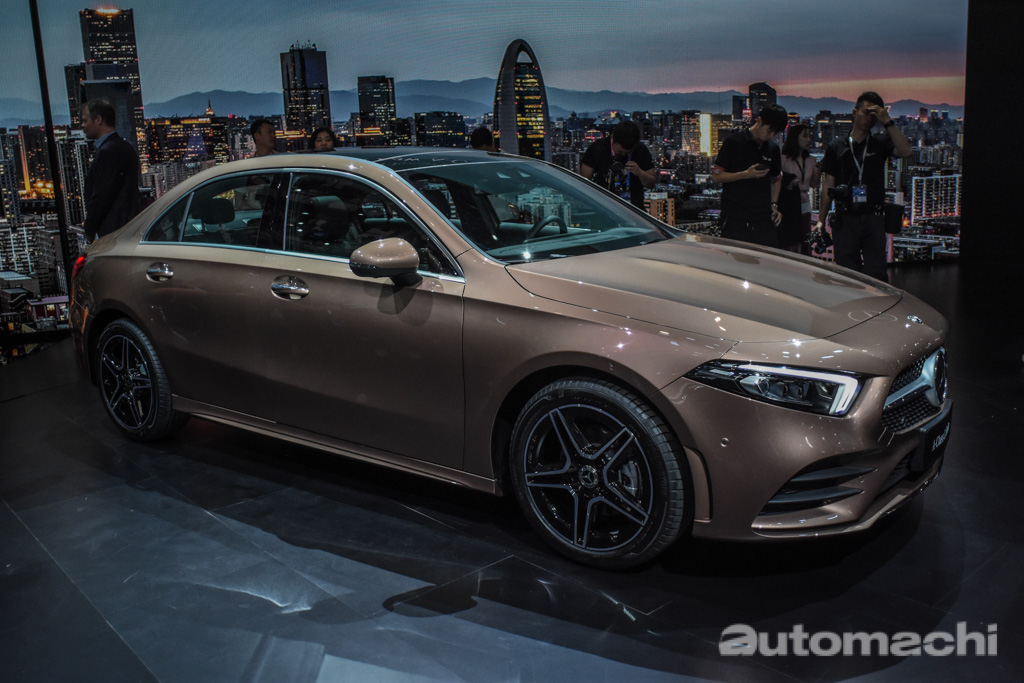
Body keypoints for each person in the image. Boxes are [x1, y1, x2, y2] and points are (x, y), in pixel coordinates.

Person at [818, 91, 911, 281]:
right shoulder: (836, 146)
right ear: (855, 112)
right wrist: (821, 220)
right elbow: (828, 184)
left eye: (874, 115)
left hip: (873, 217)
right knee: (847, 275)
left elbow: (905, 151)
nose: (869, 118)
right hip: (845, 217)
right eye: (866, 112)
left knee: (876, 273)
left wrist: (887, 121)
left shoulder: (880, 142)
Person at [711, 103, 788, 247]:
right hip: (735, 217)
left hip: (763, 218)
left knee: (766, 257)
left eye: (775, 133)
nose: (771, 135)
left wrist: (774, 205)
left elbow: (776, 178)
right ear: (759, 121)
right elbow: (716, 176)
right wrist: (746, 174)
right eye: (769, 130)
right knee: (736, 257)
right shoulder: (734, 142)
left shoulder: (772, 148)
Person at [80, 99, 140, 243]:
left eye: (85, 120)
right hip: (128, 228)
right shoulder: (124, 147)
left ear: (98, 120)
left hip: (114, 231)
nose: (82, 126)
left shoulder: (108, 151)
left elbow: (101, 195)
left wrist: (89, 229)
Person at [580, 120, 656, 210]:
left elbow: (651, 183)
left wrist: (640, 173)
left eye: (627, 153)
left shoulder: (640, 150)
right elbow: (584, 181)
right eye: (620, 152)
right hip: (603, 208)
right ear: (613, 138)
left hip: (634, 209)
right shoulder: (597, 148)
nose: (623, 155)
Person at [778, 123, 820, 253]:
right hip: (789, 202)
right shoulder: (783, 159)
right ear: (795, 138)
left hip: (805, 200)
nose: (808, 139)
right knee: (790, 235)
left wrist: (818, 171)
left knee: (804, 233)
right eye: (805, 136)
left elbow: (814, 184)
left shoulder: (811, 160)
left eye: (809, 136)